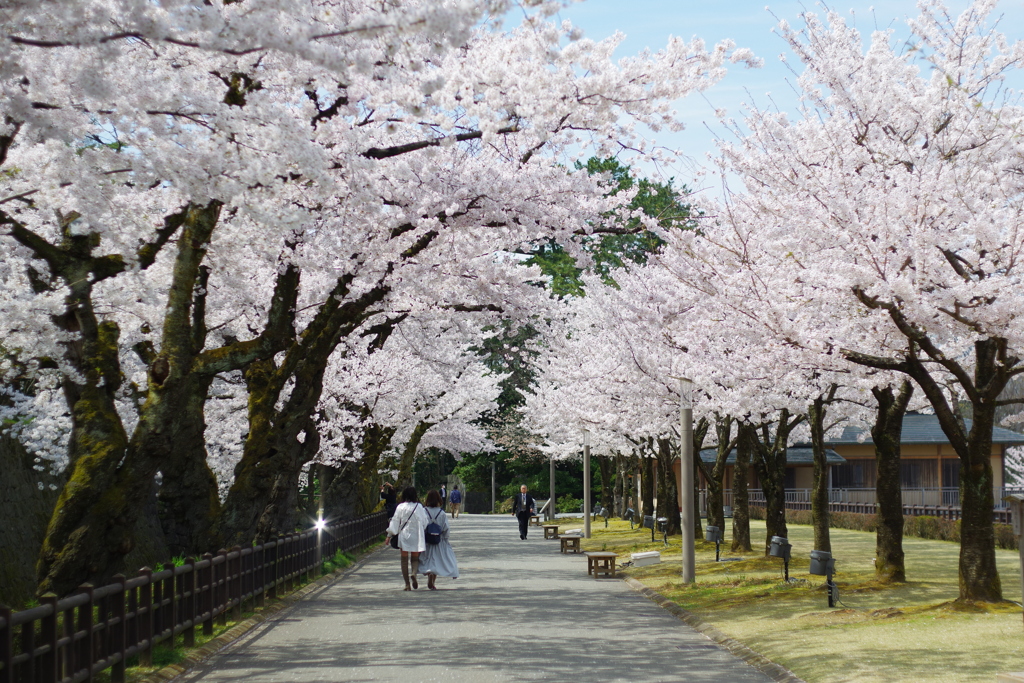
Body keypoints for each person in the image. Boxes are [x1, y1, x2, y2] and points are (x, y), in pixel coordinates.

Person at [383, 487, 429, 590]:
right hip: (416, 535)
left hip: (404, 535)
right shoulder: (419, 507)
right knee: (415, 558)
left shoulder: (400, 507)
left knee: (404, 560)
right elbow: (425, 522)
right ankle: (413, 573)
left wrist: (389, 535)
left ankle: (407, 584)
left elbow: (395, 522)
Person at [419, 489, 459, 590]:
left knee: (427, 558)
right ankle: (433, 581)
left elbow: (421, 525)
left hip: (427, 540)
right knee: (437, 560)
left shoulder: (424, 511)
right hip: (438, 540)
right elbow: (446, 528)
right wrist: (445, 539)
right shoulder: (441, 513)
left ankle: (429, 575)